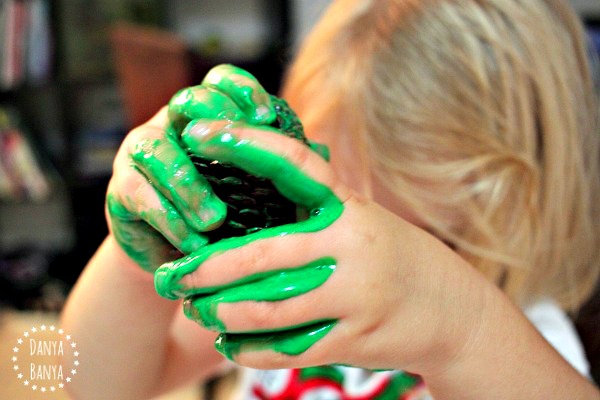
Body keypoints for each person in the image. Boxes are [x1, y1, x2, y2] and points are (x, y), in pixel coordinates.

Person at [60, 0, 600, 398]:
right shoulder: (285, 278)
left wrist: (462, 330)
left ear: (504, 197)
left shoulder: (524, 345)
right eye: (316, 189)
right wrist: (135, 268)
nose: (343, 231)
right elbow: (85, 386)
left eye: (399, 220)